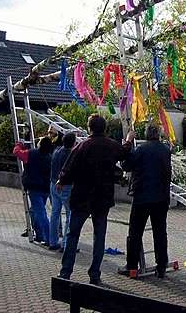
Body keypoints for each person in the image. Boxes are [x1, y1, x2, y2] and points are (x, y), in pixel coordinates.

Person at [56, 114, 133, 285]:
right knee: (99, 237)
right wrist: (128, 139)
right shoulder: (111, 146)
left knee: (72, 234)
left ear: (89, 128)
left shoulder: (82, 147)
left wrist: (61, 181)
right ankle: (95, 274)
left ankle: (65, 272)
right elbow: (124, 152)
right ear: (104, 128)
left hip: (82, 197)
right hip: (102, 198)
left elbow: (69, 169)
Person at [120, 123, 172, 278]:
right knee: (160, 232)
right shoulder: (165, 150)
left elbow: (126, 165)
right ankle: (161, 265)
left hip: (142, 197)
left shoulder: (141, 150)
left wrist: (127, 145)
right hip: (161, 197)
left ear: (147, 134)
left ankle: (131, 265)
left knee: (135, 232)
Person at [14, 136, 53, 245]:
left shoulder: (31, 154)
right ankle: (40, 235)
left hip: (34, 187)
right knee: (36, 211)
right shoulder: (50, 157)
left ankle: (48, 238)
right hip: (45, 188)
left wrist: (19, 144)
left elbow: (17, 152)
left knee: (40, 213)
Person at [48, 132, 76, 252]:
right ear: (73, 143)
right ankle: (66, 244)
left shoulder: (56, 151)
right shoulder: (71, 154)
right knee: (70, 214)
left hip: (53, 184)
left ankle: (52, 241)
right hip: (66, 186)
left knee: (55, 213)